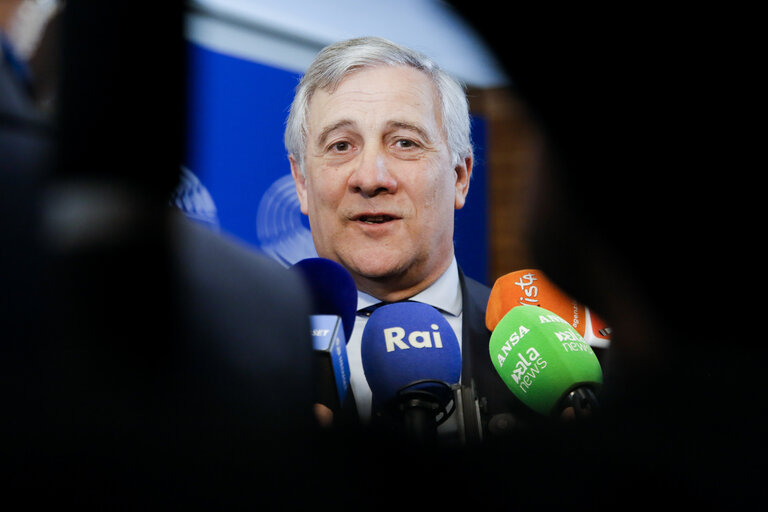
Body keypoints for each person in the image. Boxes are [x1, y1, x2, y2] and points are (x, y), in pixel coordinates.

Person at [285, 36, 524, 440]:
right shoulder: (236, 355)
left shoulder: (543, 353)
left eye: (405, 143)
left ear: (460, 177)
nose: (371, 178)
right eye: (341, 145)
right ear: (302, 183)